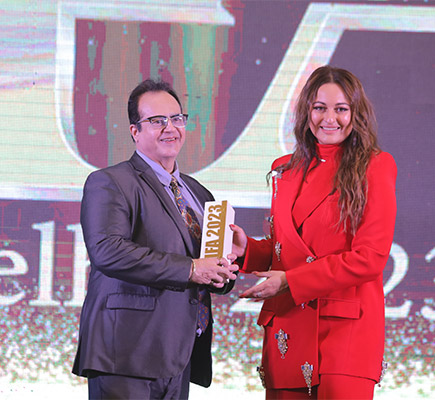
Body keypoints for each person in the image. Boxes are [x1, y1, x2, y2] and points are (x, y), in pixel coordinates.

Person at [230, 66, 397, 399]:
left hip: (344, 331)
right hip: (288, 327)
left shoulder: (376, 166)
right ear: (306, 111)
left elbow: (370, 258)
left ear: (356, 114)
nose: (329, 118)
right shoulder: (285, 169)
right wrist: (246, 250)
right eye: (320, 107)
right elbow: (286, 249)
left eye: (341, 109)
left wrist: (291, 281)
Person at [72, 78, 239, 399]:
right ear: (135, 131)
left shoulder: (199, 193)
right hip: (126, 350)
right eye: (157, 121)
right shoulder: (110, 181)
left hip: (179, 352)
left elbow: (208, 266)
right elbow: (108, 251)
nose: (170, 128)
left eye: (177, 119)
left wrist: (226, 267)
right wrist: (191, 269)